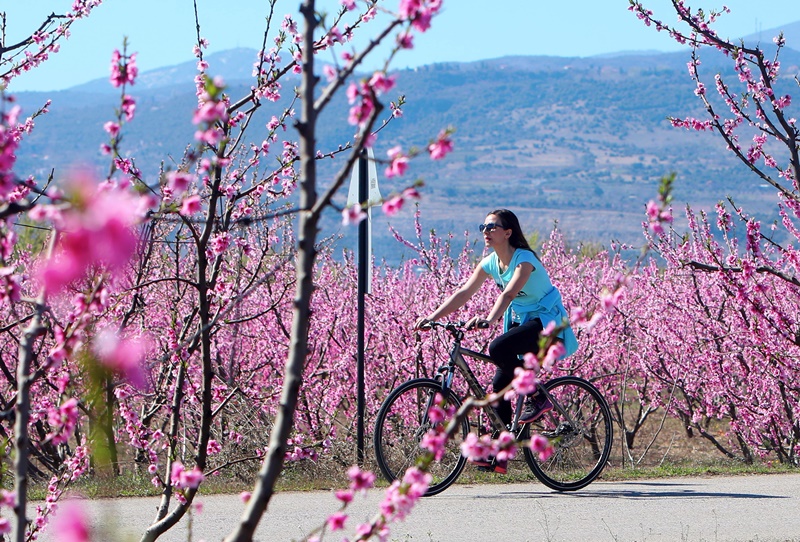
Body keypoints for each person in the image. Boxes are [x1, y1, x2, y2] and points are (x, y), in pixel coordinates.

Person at [414, 209, 578, 473]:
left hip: (546, 320)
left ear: (508, 232)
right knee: (499, 384)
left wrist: (489, 319)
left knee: (498, 347)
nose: (486, 232)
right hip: (521, 321)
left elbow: (511, 292)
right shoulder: (490, 262)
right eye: (483, 227)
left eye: (492, 227)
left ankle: (537, 396)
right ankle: (500, 452)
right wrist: (431, 317)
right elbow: (465, 291)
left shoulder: (525, 260)